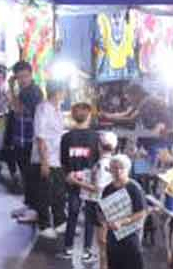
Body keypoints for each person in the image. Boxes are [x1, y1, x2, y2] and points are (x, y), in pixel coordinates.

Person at [62, 101, 102, 262]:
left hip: (73, 180)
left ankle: (68, 248)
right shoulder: (96, 137)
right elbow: (99, 161)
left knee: (72, 214)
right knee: (90, 217)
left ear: (72, 116)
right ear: (89, 116)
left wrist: (69, 175)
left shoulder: (66, 138)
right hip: (90, 182)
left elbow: (63, 161)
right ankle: (86, 251)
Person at [9, 61, 44, 225]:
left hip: (31, 140)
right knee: (26, 173)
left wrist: (11, 89)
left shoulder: (32, 92)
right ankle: (29, 205)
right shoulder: (24, 90)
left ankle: (35, 209)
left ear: (31, 75)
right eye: (19, 77)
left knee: (31, 175)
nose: (22, 80)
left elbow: (18, 109)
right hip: (22, 139)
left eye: (25, 76)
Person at [100, 154, 148, 269]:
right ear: (110, 170)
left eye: (121, 168)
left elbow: (142, 212)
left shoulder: (134, 188)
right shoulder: (107, 189)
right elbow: (102, 211)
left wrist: (122, 221)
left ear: (128, 169)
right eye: (115, 168)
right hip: (113, 237)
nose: (118, 171)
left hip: (130, 236)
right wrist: (104, 222)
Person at [34, 84, 68, 239]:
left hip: (57, 157)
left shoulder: (58, 109)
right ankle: (44, 224)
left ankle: (60, 222)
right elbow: (40, 137)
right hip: (45, 157)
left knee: (59, 192)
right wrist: (44, 161)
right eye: (64, 91)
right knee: (44, 193)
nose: (66, 94)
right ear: (58, 92)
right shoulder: (43, 108)